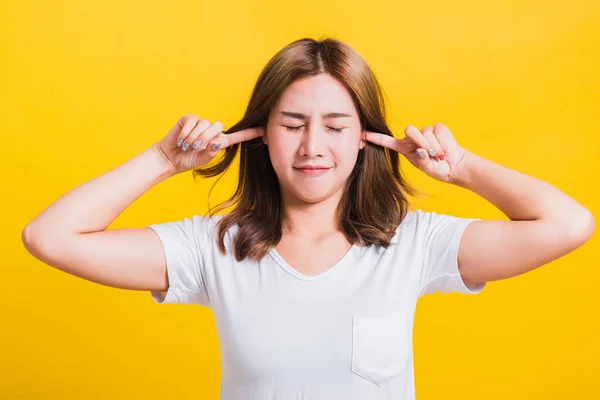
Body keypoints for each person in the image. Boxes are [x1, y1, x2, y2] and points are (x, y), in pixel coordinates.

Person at [22, 37, 594, 400]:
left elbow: (569, 225)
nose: (312, 146)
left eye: (336, 126)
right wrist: (162, 160)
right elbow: (48, 237)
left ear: (368, 138)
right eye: (292, 124)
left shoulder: (414, 243)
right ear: (260, 134)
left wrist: (462, 166)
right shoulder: (214, 247)